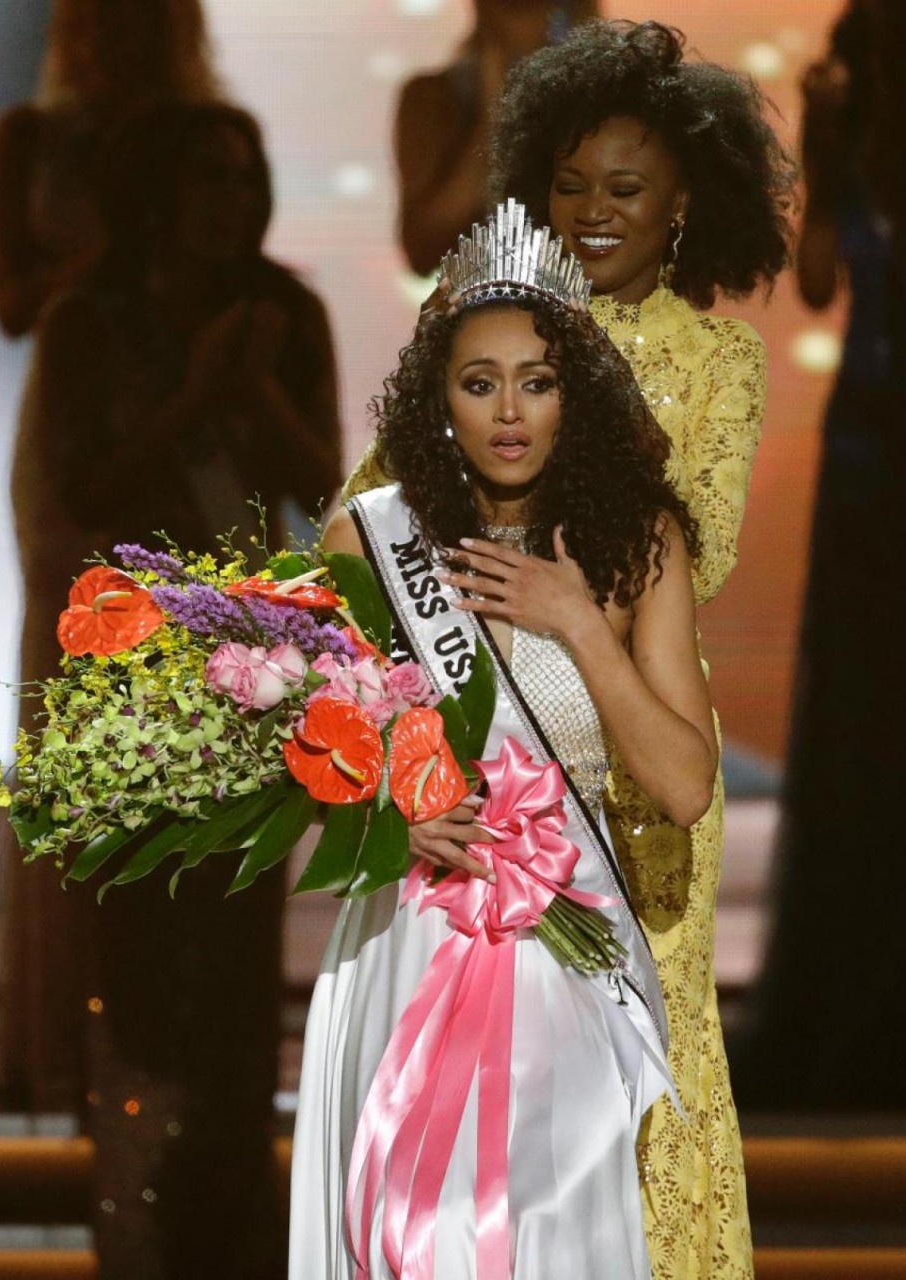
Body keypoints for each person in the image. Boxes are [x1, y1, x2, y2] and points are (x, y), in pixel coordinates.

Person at [345, 20, 795, 1278]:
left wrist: (565, 576)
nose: (593, 211)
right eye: (570, 183)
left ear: (685, 202)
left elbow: (693, 555)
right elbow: (358, 526)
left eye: (626, 188)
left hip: (627, 739)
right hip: (471, 729)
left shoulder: (719, 360)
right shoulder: (476, 319)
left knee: (646, 1054)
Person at [290, 207, 718, 1278]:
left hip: (563, 953)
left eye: (537, 378)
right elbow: (304, 757)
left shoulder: (636, 545)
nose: (510, 409)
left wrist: (578, 620)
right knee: (408, 1231)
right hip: (407, 938)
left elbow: (681, 787)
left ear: (578, 391)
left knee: (541, 1232)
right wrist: (391, 804)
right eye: (479, 382)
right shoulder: (375, 537)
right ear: (438, 401)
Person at [8, 101, 340, 1278]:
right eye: (207, 177)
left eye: (246, 177)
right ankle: (138, 1236)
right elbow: (78, 490)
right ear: (157, 190)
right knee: (142, 977)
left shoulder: (283, 313)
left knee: (239, 979)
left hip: (248, 675)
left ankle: (232, 1235)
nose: (231, 201)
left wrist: (252, 393)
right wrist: (193, 397)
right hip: (128, 682)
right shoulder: (92, 324)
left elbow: (330, 488)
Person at [733, 0, 906, 1108]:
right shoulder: (846, 107)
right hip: (875, 429)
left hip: (876, 422)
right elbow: (814, 279)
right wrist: (835, 158)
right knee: (859, 702)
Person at [0, 0, 219, 339]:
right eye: (90, 18)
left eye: (124, 18)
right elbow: (11, 312)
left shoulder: (210, 138)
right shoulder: (26, 136)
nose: (102, 36)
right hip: (75, 372)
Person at [394, 0, 598, 275]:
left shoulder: (608, 101)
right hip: (484, 305)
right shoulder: (434, 98)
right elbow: (423, 247)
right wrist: (494, 119)